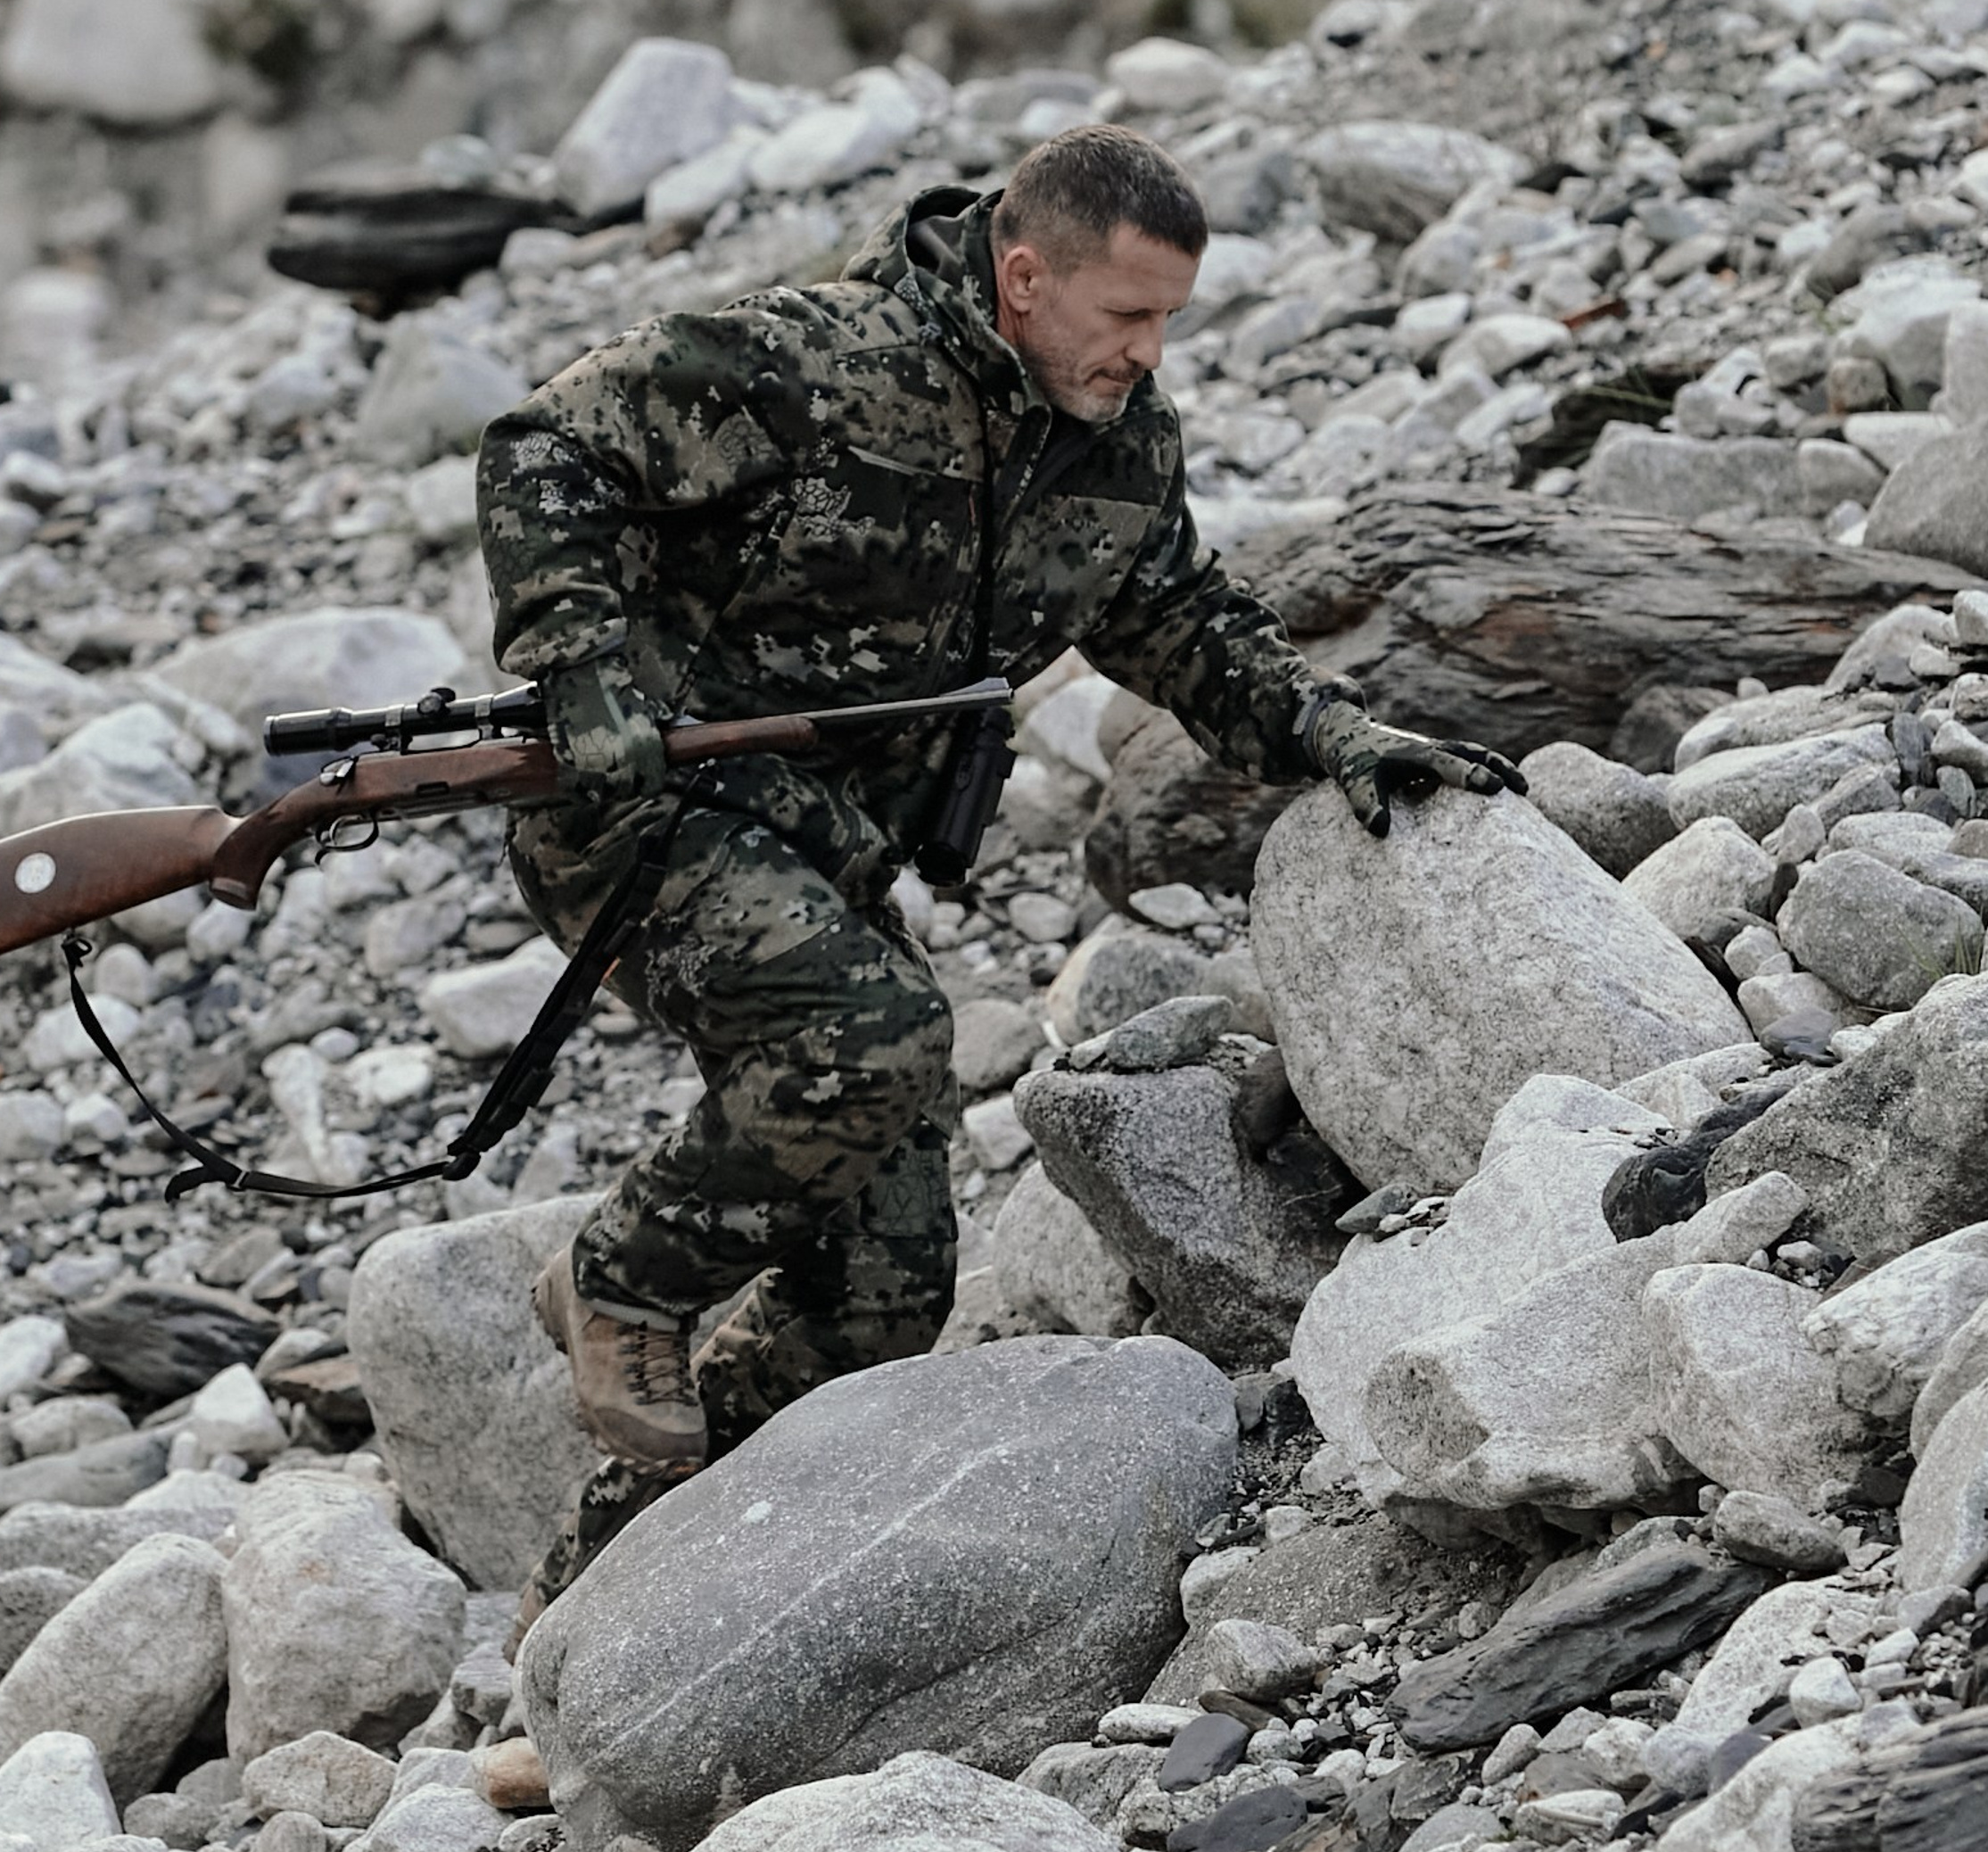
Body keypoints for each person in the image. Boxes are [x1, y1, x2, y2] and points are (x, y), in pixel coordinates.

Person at [474, 122, 1522, 1584]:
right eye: (1129, 315)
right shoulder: (810, 362)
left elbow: (1184, 626)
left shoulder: (1112, 437)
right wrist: (582, 668)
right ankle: (617, 1280)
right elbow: (546, 449)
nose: (1152, 353)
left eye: (1171, 319)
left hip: (822, 850)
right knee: (881, 1036)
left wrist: (1339, 737)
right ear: (1024, 277)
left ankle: (613, 1601)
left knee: (883, 1299)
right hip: (642, 817)